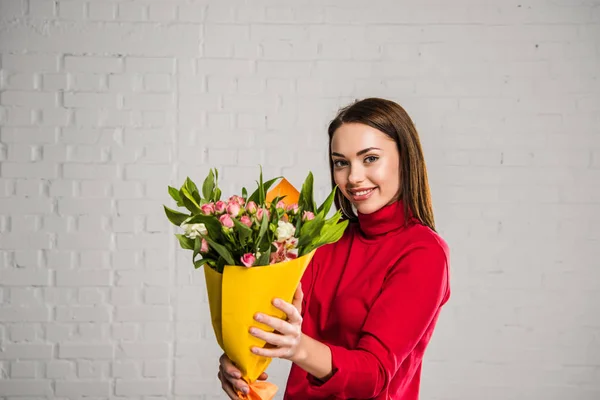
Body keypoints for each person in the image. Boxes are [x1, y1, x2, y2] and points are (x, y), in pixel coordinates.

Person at [217, 97, 451, 399]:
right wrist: (240, 362)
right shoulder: (324, 241)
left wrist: (298, 347)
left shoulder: (423, 253)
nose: (353, 177)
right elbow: (276, 322)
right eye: (341, 162)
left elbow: (373, 375)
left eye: (370, 159)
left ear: (405, 158)